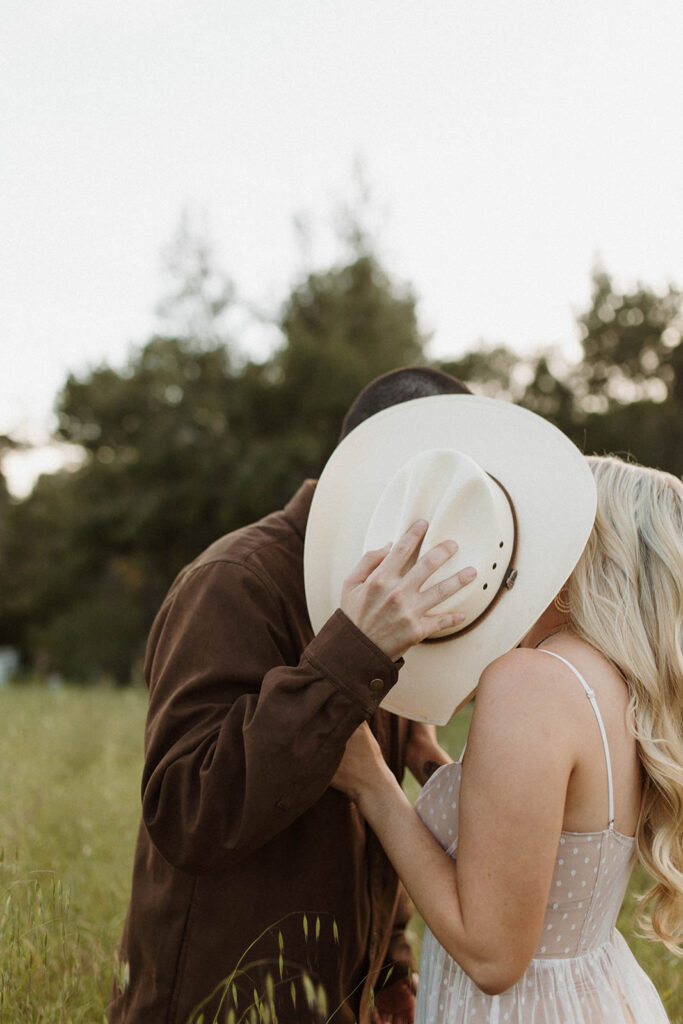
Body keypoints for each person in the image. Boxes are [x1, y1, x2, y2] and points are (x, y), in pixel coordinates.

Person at [108, 367, 472, 1024]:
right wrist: (348, 655)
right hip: (219, 1001)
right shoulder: (233, 581)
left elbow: (369, 793)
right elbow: (186, 813)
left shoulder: (389, 589)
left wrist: (390, 960)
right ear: (385, 467)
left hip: (339, 995)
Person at [329, 453, 682, 1023]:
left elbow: (492, 956)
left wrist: (371, 782)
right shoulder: (618, 687)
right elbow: (546, 829)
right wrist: (432, 764)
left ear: (581, 556)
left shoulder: (531, 682)